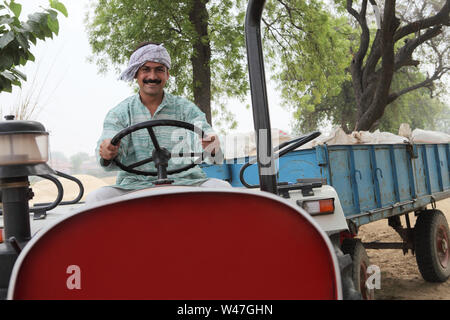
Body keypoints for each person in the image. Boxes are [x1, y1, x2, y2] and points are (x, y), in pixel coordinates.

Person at [86, 42, 230, 203]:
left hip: (186, 182)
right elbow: (108, 146)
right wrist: (108, 152)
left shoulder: (186, 109)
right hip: (134, 186)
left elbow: (210, 145)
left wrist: (212, 146)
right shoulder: (119, 113)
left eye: (159, 70)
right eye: (146, 69)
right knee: (96, 198)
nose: (152, 77)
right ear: (135, 74)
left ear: (167, 74)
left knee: (223, 189)